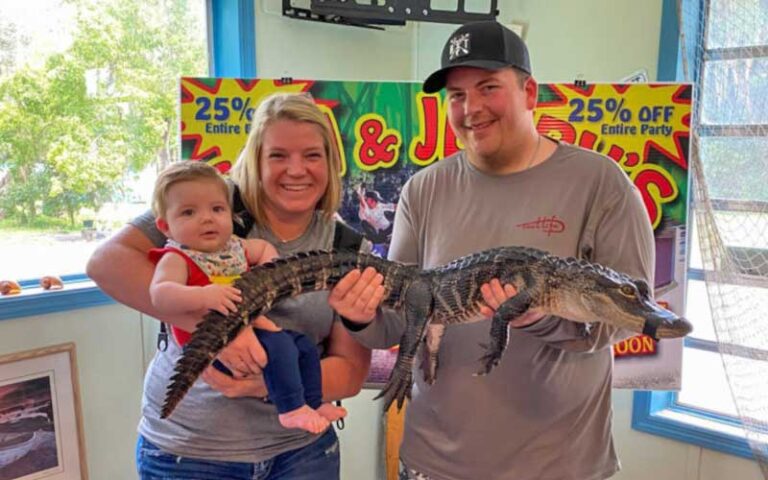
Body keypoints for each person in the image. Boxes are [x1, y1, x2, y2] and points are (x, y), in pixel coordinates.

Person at [332, 21, 656, 480]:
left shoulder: (602, 184)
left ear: (529, 92)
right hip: (433, 463)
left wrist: (537, 316)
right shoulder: (423, 189)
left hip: (558, 467)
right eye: (457, 95)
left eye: (488, 87)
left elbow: (625, 316)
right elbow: (401, 315)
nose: (472, 108)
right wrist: (358, 315)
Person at [87, 92, 378, 480]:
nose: (296, 170)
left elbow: (350, 373)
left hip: (301, 454)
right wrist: (221, 328)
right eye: (278, 155)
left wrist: (269, 385)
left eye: (312, 155)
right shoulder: (211, 203)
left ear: (330, 162)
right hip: (190, 453)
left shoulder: (347, 247)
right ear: (255, 158)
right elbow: (106, 262)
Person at [147, 160, 346, 434]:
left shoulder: (234, 246)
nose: (206, 218)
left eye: (217, 209)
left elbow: (263, 248)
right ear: (165, 226)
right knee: (283, 349)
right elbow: (160, 294)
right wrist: (204, 296)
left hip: (249, 323)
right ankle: (290, 410)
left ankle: (312, 402)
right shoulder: (177, 257)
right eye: (188, 212)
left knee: (303, 346)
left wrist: (270, 269)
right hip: (210, 338)